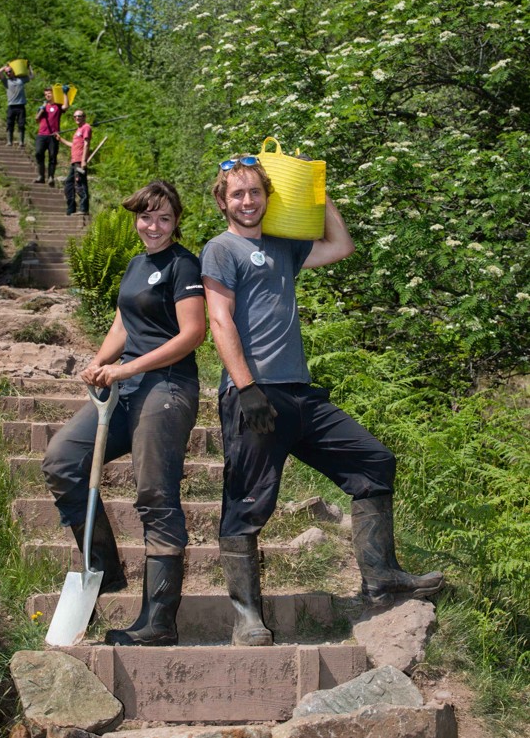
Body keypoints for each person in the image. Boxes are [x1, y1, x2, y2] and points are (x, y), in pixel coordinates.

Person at [200, 154, 444, 646]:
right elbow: (220, 320)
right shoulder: (220, 250)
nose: (248, 201)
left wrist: (317, 192)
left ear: (268, 196)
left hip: (300, 394)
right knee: (247, 503)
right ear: (223, 202)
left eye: (256, 192)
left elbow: (340, 245)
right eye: (238, 194)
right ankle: (247, 617)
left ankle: (381, 577)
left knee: (373, 461)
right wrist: (245, 387)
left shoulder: (282, 248)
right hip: (254, 396)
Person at [42, 180, 206, 646]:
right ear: (136, 217)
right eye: (146, 217)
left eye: (164, 218)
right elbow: (123, 322)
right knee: (61, 460)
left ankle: (159, 621)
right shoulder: (136, 265)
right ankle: (105, 570)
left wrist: (128, 367)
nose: (153, 226)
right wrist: (99, 362)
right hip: (125, 388)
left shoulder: (184, 265)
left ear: (176, 222)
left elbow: (193, 333)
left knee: (154, 491)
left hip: (167, 388)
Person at [57, 109, 92, 215]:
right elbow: (74, 145)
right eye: (75, 116)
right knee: (69, 185)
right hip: (74, 161)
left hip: (80, 161)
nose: (77, 118)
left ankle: (83, 209)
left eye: (79, 116)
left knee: (80, 184)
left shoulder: (86, 127)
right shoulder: (78, 130)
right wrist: (60, 139)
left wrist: (83, 160)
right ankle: (71, 208)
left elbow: (86, 144)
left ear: (84, 117)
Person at [35, 85, 70, 185]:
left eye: (49, 93)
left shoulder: (57, 106)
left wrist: (65, 94)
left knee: (52, 156)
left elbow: (66, 107)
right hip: (41, 134)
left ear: (53, 94)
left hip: (53, 135)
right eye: (45, 94)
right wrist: (42, 109)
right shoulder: (43, 107)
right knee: (38, 153)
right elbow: (37, 119)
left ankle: (51, 177)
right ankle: (41, 175)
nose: (47, 96)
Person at [0, 62, 34, 147]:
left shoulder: (21, 80)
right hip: (11, 106)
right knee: (10, 124)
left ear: (13, 71)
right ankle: (9, 141)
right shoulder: (6, 81)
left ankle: (21, 142)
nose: (8, 73)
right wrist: (6, 66)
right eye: (7, 73)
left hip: (21, 106)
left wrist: (29, 67)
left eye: (10, 71)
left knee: (21, 124)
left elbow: (32, 76)